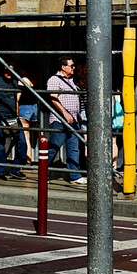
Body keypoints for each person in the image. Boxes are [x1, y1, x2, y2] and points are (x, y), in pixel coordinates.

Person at [46, 57, 85, 187]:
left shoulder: (72, 81)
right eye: (71, 65)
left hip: (74, 119)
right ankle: (43, 172)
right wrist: (65, 113)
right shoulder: (54, 80)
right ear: (63, 67)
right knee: (53, 148)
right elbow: (53, 98)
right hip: (60, 120)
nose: (74, 68)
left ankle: (75, 175)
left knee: (74, 148)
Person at [0, 69, 25, 180]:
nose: (9, 73)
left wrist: (17, 111)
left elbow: (16, 98)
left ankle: (16, 169)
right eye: (7, 70)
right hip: (0, 117)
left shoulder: (14, 82)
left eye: (11, 70)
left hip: (13, 117)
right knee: (1, 145)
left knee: (22, 143)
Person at [17, 71, 39, 163]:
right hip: (33, 107)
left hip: (24, 107)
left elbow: (18, 97)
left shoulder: (22, 80)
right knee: (27, 136)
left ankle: (25, 159)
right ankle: (28, 159)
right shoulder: (35, 79)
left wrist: (16, 109)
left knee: (24, 136)